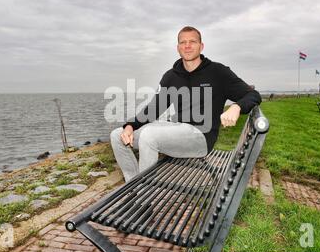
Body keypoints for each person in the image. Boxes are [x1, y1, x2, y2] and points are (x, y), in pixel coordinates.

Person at [110, 26, 262, 182]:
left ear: (201, 46)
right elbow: (154, 108)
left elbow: (253, 95)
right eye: (183, 42)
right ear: (178, 48)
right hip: (175, 131)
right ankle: (133, 186)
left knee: (149, 136)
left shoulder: (218, 72)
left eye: (192, 42)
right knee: (117, 135)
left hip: (201, 137)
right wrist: (130, 126)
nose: (187, 46)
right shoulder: (171, 76)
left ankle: (142, 199)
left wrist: (236, 107)